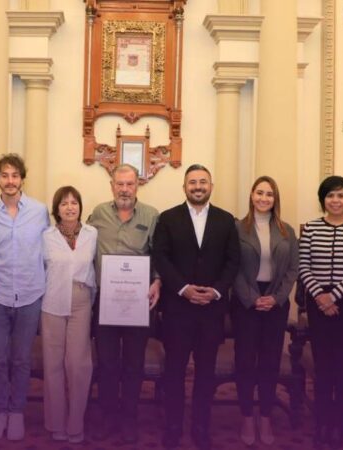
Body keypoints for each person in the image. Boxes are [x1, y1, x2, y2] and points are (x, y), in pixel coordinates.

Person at [153, 164, 240, 450]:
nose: (198, 187)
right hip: (178, 310)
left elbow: (233, 261)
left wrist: (215, 291)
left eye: (203, 182)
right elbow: (161, 258)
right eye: (193, 182)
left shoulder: (227, 220)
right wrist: (183, 289)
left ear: (211, 186)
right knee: (174, 373)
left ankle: (201, 427)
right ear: (185, 187)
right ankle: (173, 428)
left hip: (211, 311)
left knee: (206, 374)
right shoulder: (168, 218)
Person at [87, 164, 161, 444]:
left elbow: (159, 254)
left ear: (137, 185)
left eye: (129, 184)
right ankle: (107, 416)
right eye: (119, 184)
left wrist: (157, 281)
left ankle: (129, 418)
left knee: (133, 364)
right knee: (106, 364)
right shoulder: (98, 214)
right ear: (111, 186)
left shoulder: (151, 215)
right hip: (104, 304)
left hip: (137, 305)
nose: (124, 189)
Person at [0, 153, 49, 441]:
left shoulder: (40, 210)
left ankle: (17, 411)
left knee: (21, 359)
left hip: (31, 294)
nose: (10, 181)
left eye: (15, 175)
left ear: (22, 179)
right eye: (5, 176)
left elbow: (48, 249)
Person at [299, 175, 343, 448]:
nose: (336, 200)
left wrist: (333, 296)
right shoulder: (312, 228)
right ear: (323, 200)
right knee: (323, 367)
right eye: (330, 195)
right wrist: (320, 296)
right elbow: (303, 265)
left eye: (341, 195)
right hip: (319, 306)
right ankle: (321, 424)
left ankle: (338, 424)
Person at [231, 176, 298, 446]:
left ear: (275, 198)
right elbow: (231, 267)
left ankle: (266, 416)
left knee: (270, 363)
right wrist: (251, 298)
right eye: (259, 192)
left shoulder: (287, 231)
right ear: (251, 195)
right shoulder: (237, 228)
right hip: (245, 302)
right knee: (245, 361)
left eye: (269, 194)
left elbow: (293, 268)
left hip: (276, 303)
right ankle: (247, 416)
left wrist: (276, 298)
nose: (264, 198)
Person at [41, 186, 97, 444]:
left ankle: (75, 423)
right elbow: (38, 268)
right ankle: (56, 422)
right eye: (64, 203)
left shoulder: (92, 234)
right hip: (52, 302)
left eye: (74, 202)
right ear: (57, 209)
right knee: (53, 365)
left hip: (82, 302)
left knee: (78, 365)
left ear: (80, 207)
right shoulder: (46, 236)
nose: (70, 207)